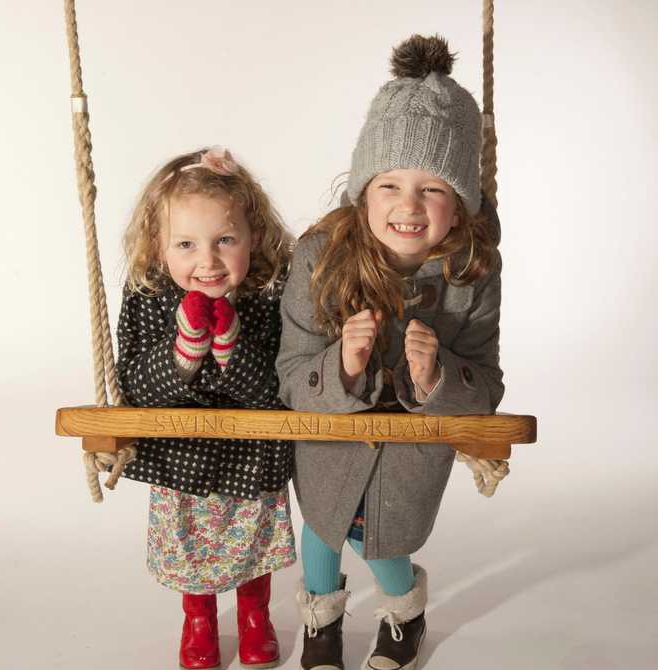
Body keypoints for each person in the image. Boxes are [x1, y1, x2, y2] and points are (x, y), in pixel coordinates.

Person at [276, 35, 504, 670]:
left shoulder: (472, 270)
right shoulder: (318, 257)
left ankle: (404, 615)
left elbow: (486, 383)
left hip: (410, 449)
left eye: (433, 188)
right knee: (320, 532)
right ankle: (321, 629)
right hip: (329, 435)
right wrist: (341, 368)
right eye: (391, 184)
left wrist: (437, 378)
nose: (409, 205)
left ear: (459, 206)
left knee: (382, 544)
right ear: (364, 189)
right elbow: (292, 374)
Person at [116, 146, 296, 669]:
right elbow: (134, 386)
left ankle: (255, 616)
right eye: (186, 244)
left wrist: (230, 343)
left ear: (253, 237)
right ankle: (198, 620)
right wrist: (183, 352)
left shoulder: (268, 291)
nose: (208, 261)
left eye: (225, 240)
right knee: (188, 540)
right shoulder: (148, 293)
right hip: (180, 452)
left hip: (250, 451)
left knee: (253, 535)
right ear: (158, 245)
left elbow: (276, 390)